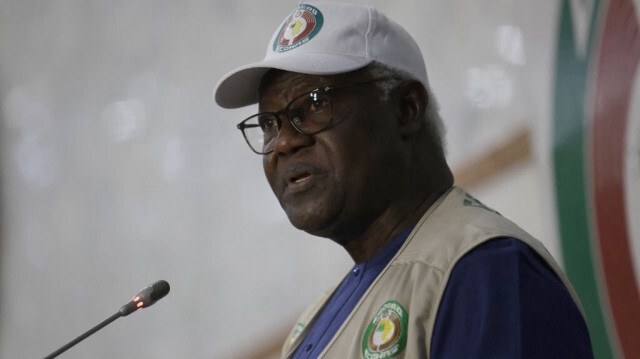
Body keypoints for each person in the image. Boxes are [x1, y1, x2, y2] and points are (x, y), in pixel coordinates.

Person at [214, 2, 593, 358]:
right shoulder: (315, 319)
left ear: (406, 108)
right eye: (268, 124)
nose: (283, 141)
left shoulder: (485, 275)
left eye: (314, 104)